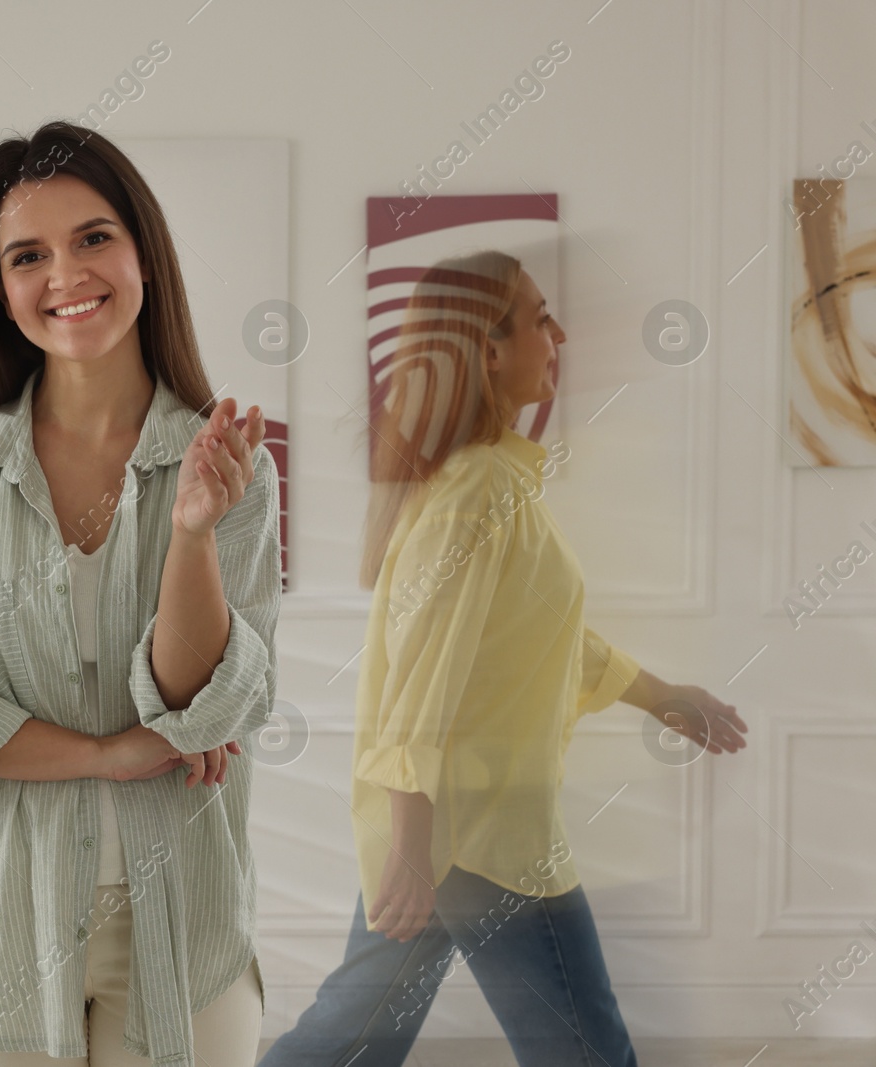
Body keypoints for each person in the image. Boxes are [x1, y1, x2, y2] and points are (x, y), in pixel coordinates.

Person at [0, 120, 284, 1065]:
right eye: (28, 255)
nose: (66, 275)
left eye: (93, 238)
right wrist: (108, 754)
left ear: (143, 254)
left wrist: (193, 529)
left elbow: (205, 707)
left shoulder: (229, 463)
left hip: (183, 929)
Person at [257, 251, 749, 1067]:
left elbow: (543, 638)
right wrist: (414, 849)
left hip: (454, 833)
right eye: (538, 316)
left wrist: (662, 695)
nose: (557, 335)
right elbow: (424, 673)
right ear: (488, 349)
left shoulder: (489, 484)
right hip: (484, 839)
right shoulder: (478, 490)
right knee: (588, 1056)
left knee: (346, 1045)